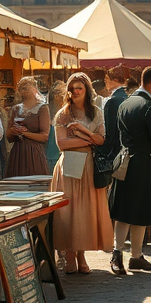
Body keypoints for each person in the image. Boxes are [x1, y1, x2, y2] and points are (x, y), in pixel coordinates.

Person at [108, 67, 151, 274]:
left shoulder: (125, 103)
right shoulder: (149, 106)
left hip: (126, 161)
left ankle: (128, 255)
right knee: (139, 211)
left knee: (127, 211)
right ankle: (129, 255)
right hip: (145, 164)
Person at [50, 72, 113, 274]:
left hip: (89, 165)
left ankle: (81, 254)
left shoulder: (96, 112)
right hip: (70, 163)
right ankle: (68, 254)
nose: (75, 91)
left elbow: (102, 139)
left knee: (85, 211)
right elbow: (62, 144)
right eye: (72, 88)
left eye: (79, 88)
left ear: (87, 91)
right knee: (69, 210)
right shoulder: (63, 114)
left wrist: (83, 132)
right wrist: (89, 140)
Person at [6, 76, 50, 177]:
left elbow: (44, 136)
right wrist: (13, 131)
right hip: (17, 152)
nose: (24, 89)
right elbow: (8, 137)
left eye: (27, 87)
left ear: (34, 88)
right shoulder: (16, 109)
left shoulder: (42, 108)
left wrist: (24, 133)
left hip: (34, 152)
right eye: (22, 87)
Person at [95, 67, 128, 177]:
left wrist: (104, 151)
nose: (105, 82)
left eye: (106, 79)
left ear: (112, 80)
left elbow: (110, 131)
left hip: (115, 152)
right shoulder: (129, 96)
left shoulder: (112, 101)